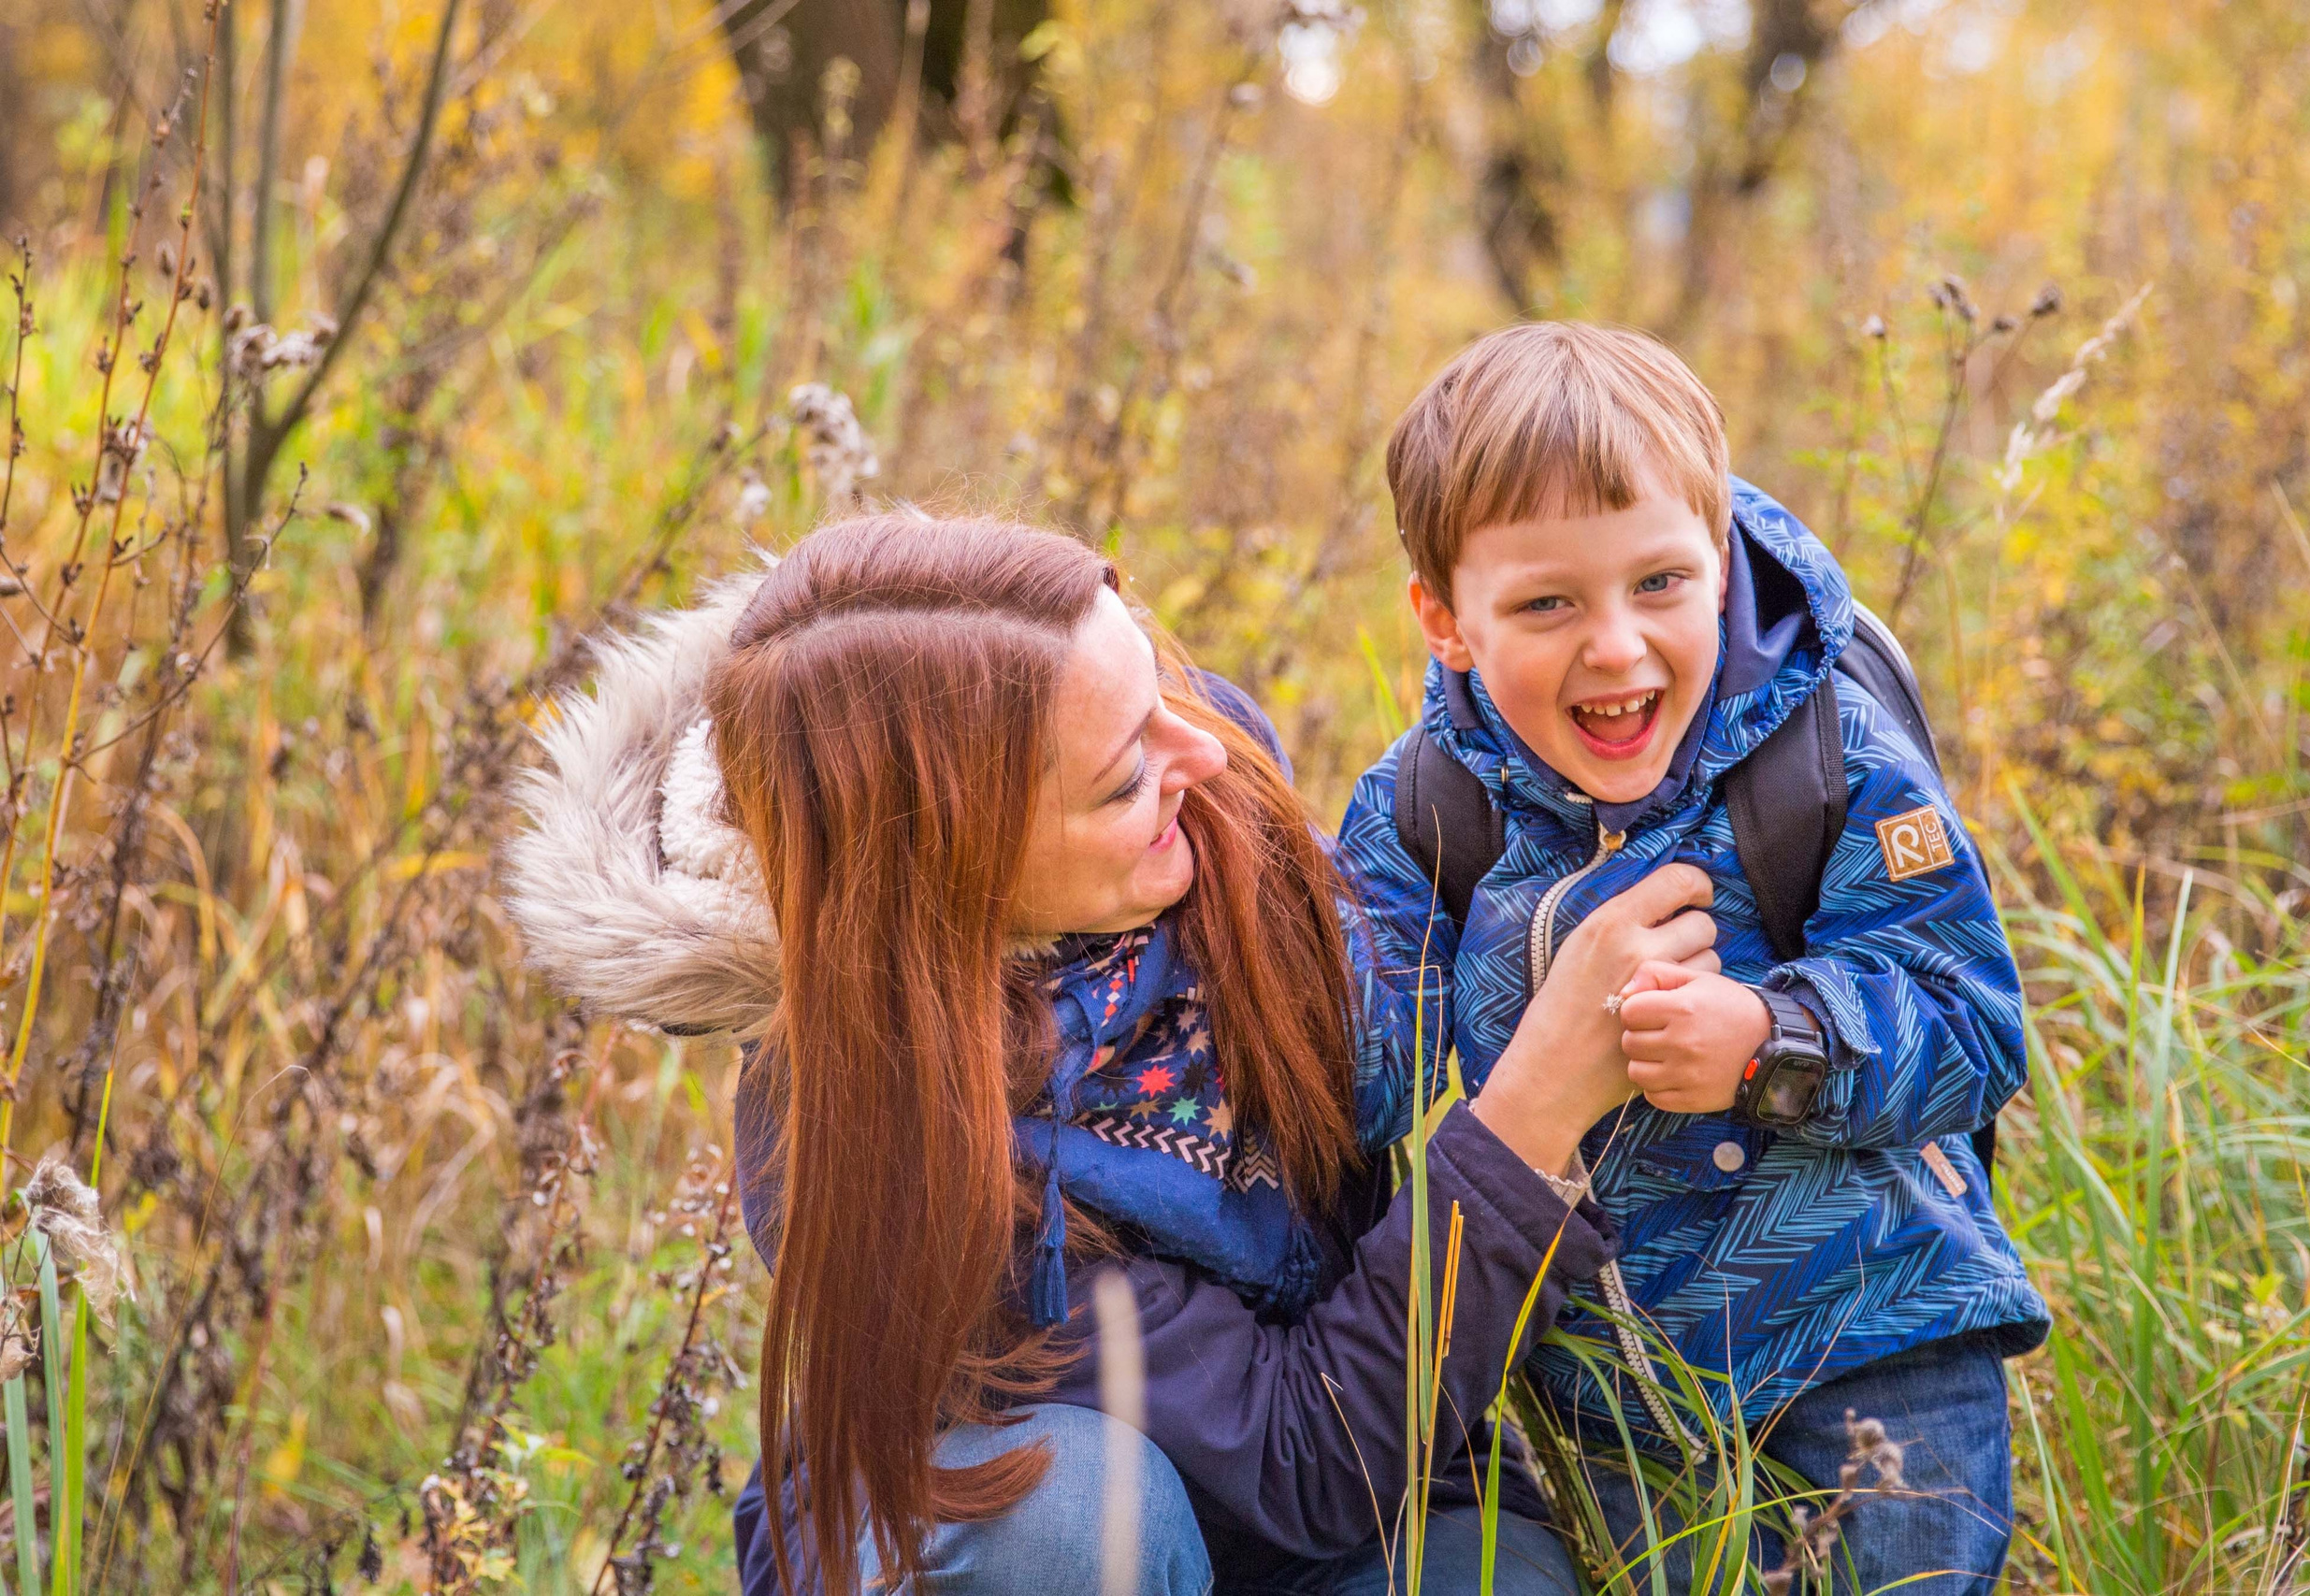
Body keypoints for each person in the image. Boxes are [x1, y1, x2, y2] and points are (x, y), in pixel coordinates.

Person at [504, 512, 1723, 1595]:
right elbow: (1300, 1452)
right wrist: (1531, 1113)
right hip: (1068, 1515)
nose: (1204, 757)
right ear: (964, 884)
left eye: (1159, 699)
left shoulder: (1195, 785)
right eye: (1123, 775)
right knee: (1072, 1522)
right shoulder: (903, 1152)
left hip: (1336, 1498)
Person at [1337, 323, 2052, 1593]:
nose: (1616, 645)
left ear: (1719, 559)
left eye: (1661, 583)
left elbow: (1974, 1025)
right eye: (1548, 602)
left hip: (1879, 1347)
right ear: (1445, 621)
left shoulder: (1820, 754)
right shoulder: (1428, 811)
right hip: (1618, 1401)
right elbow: (1351, 1073)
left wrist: (1772, 1042)